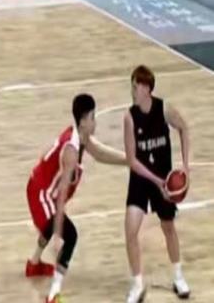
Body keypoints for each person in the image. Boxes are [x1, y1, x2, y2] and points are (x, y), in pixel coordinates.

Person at [25, 93, 127, 303]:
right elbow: (62, 195)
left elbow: (100, 154)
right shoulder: (71, 150)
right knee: (69, 236)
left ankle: (33, 264)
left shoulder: (80, 138)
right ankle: (53, 294)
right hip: (42, 194)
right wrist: (58, 234)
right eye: (92, 117)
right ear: (82, 121)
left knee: (52, 224)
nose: (95, 122)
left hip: (42, 189)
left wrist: (129, 160)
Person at [124, 65, 190, 303]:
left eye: (135, 87)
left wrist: (185, 167)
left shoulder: (164, 109)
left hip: (165, 178)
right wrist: (156, 181)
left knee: (168, 227)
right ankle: (138, 284)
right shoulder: (129, 117)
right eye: (132, 86)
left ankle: (178, 276)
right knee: (130, 231)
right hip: (142, 179)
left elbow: (184, 128)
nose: (132, 91)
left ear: (146, 88)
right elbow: (132, 160)